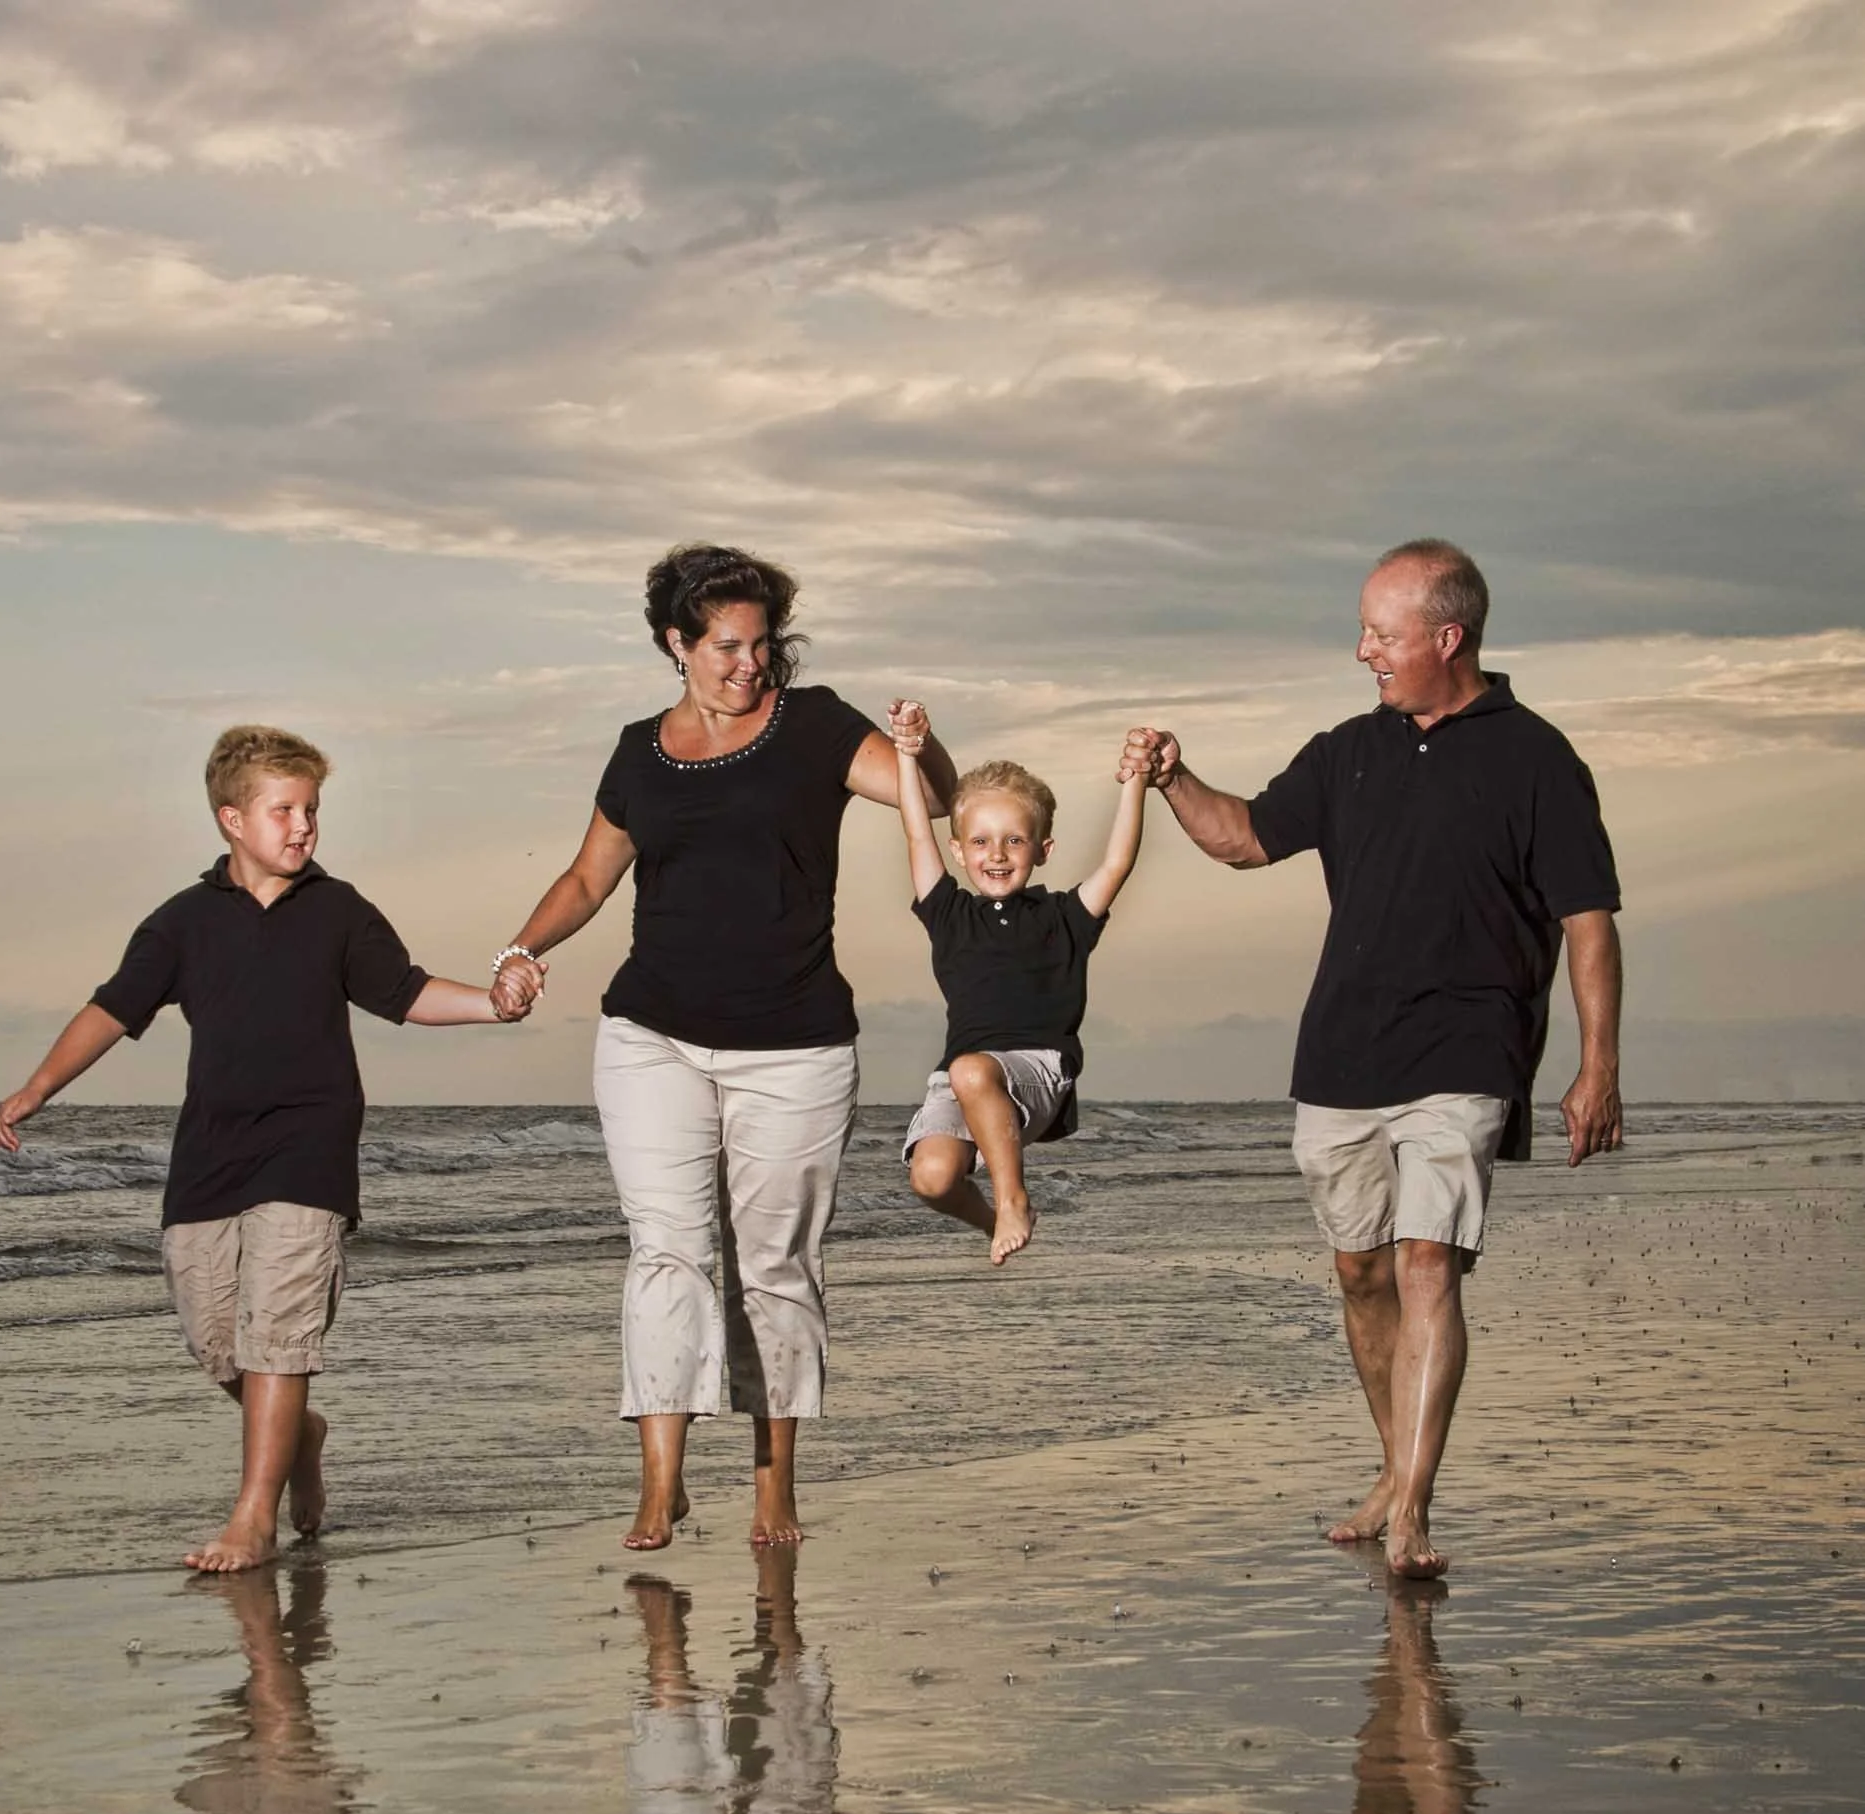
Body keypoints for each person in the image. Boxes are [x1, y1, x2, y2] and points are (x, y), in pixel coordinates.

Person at [1133, 538, 1624, 1578]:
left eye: (1381, 633)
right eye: (1363, 630)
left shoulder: (1535, 757)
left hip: (1468, 1042)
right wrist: (1174, 778)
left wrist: (1597, 1066)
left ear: (1445, 638)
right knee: (1359, 1273)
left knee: (1424, 1262)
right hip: (1342, 1049)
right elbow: (1243, 839)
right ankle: (1392, 1471)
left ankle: (1412, 1517)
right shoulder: (1347, 752)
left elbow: (1587, 919)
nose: (1363, 650)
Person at [488, 544, 956, 1553]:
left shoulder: (818, 725)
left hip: (795, 1045)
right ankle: (661, 1483)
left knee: (774, 1267)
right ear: (678, 644)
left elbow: (935, 797)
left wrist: (922, 746)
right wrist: (523, 949)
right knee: (668, 1252)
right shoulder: (636, 750)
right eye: (727, 648)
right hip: (650, 1032)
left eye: (761, 646)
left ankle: (773, 1488)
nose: (749, 666)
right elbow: (584, 877)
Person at [0, 724, 520, 1573]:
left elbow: (406, 992)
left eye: (311, 809)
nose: (303, 826)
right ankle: (300, 1432)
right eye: (285, 810)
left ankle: (251, 1517)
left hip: (309, 1151)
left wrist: (493, 1004)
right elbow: (110, 1010)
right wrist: (37, 1086)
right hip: (210, 1155)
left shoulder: (340, 910)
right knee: (219, 1343)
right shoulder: (181, 922)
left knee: (277, 1336)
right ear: (232, 820)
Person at [886, 703, 1148, 1263]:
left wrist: (1136, 783)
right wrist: (907, 755)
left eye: (1013, 841)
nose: (996, 855)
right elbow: (914, 831)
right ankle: (991, 1220)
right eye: (980, 842)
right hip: (959, 1083)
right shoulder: (949, 914)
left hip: (1037, 1071)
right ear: (957, 851)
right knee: (932, 1176)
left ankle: (1013, 1198)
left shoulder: (1063, 918)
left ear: (1042, 850)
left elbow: (1118, 862)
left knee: (972, 1068)